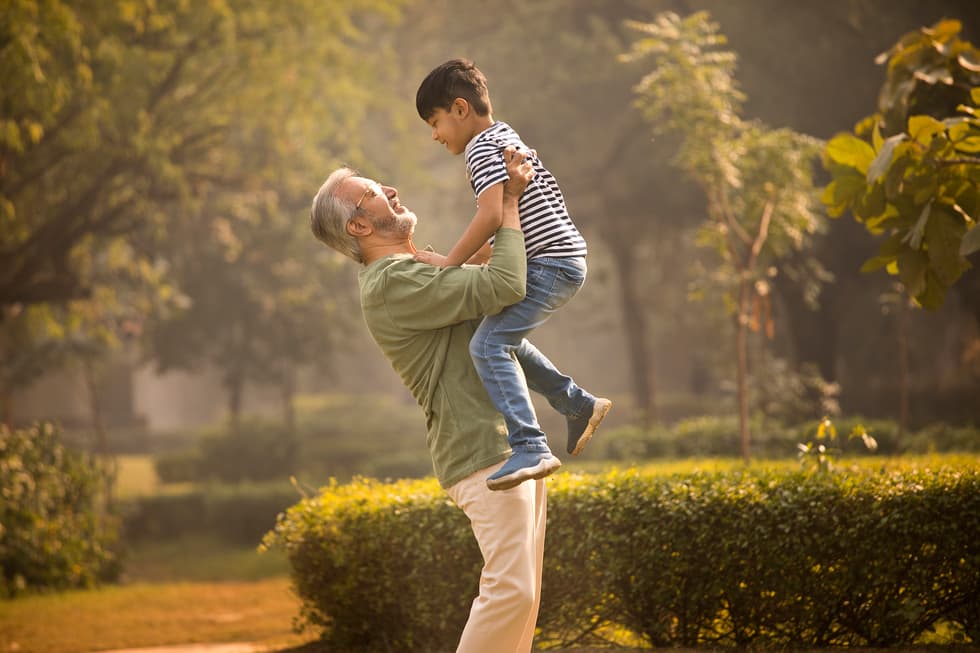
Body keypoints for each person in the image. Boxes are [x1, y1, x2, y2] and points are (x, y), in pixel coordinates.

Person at [310, 148, 544, 652]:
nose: (390, 190)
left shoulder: (413, 269)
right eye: (373, 193)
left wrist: (506, 198)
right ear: (358, 227)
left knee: (523, 602)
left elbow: (486, 269)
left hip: (505, 441)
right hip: (481, 449)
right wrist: (507, 206)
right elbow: (506, 282)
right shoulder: (393, 282)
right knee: (512, 591)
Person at [414, 58, 611, 491]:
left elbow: (489, 216)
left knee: (486, 345)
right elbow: (507, 222)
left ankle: (531, 444)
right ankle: (577, 405)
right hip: (558, 258)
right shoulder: (505, 137)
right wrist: (463, 261)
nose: (434, 135)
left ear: (460, 109)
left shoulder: (481, 149)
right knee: (502, 340)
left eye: (435, 121)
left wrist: (449, 263)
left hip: (549, 262)